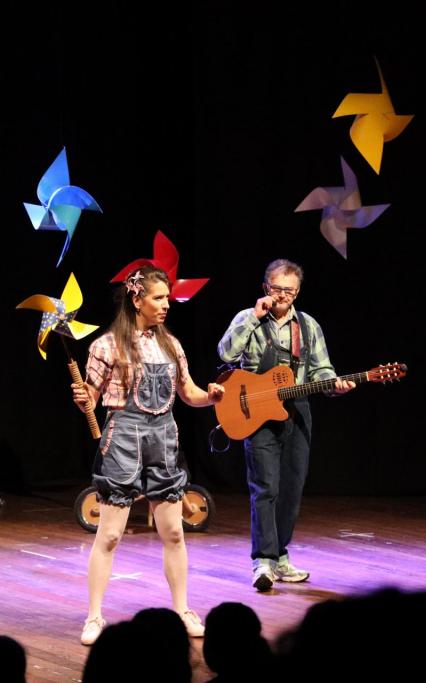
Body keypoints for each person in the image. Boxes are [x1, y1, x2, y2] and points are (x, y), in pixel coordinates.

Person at [72, 264, 225, 645]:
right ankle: (93, 616)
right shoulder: (106, 345)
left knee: (173, 531)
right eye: (159, 298)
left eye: (168, 298)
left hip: (164, 439)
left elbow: (187, 393)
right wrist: (83, 398)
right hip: (123, 436)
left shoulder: (171, 345)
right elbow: (92, 395)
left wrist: (210, 397)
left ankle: (183, 609)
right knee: (109, 535)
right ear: (136, 299)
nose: (166, 305)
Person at [217, 259, 354, 591]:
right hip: (256, 411)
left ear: (298, 292)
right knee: (266, 486)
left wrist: (333, 385)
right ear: (266, 287)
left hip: (297, 409)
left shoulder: (307, 326)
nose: (282, 296)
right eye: (277, 289)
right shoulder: (247, 319)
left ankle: (280, 556)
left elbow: (321, 370)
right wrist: (253, 316)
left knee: (292, 488)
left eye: (289, 291)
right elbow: (225, 353)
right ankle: (262, 561)